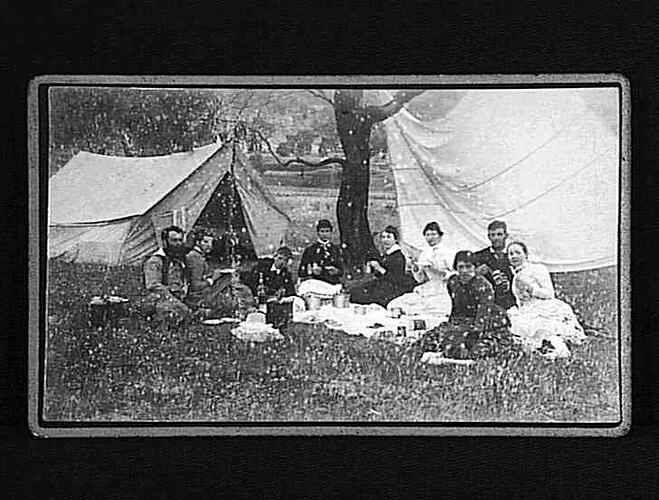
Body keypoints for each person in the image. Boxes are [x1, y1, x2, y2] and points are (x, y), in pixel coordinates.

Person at [420, 250, 512, 360]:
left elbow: (483, 316)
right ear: (456, 268)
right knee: (429, 339)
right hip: (461, 321)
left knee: (472, 347)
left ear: (475, 268)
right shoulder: (453, 282)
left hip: (486, 321)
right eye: (461, 267)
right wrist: (451, 327)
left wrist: (470, 335)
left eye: (468, 267)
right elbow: (455, 308)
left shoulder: (483, 285)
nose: (464, 271)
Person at [506, 241, 586, 357]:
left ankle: (559, 349)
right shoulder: (516, 276)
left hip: (543, 307)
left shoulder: (537, 269)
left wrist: (532, 290)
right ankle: (544, 348)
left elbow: (549, 293)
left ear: (526, 255)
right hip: (527, 310)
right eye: (510, 254)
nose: (514, 256)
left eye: (518, 252)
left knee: (541, 327)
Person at [387, 221, 453, 317]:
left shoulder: (448, 253)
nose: (430, 237)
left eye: (434, 234)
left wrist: (437, 272)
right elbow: (420, 279)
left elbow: (454, 274)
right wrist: (416, 269)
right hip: (427, 288)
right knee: (395, 303)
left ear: (440, 236)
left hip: (443, 288)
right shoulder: (424, 254)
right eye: (427, 235)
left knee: (437, 307)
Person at [349, 226, 416, 307]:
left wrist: (379, 268)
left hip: (393, 288)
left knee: (360, 295)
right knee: (354, 291)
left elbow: (396, 278)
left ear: (395, 239)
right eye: (383, 237)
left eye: (389, 237)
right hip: (383, 284)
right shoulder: (388, 254)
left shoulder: (398, 256)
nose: (386, 240)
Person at [184, 229, 240, 317]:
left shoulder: (198, 256)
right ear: (197, 242)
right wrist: (212, 279)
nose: (209, 246)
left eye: (211, 242)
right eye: (205, 242)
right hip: (198, 297)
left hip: (203, 293)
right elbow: (196, 285)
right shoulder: (195, 257)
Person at [142, 225, 192, 323]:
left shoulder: (178, 259)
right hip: (161, 298)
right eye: (174, 240)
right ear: (165, 242)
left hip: (177, 297)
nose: (178, 244)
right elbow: (153, 286)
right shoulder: (155, 261)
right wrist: (176, 302)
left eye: (180, 240)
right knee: (178, 314)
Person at [473, 220, 516, 310]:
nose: (496, 238)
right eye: (492, 235)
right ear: (488, 237)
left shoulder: (515, 255)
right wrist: (476, 273)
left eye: (499, 234)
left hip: (513, 304)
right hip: (488, 304)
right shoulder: (478, 256)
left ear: (506, 236)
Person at [297, 219, 345, 297]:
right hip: (315, 285)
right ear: (318, 233)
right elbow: (301, 271)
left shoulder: (336, 250)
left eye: (327, 231)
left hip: (332, 285)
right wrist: (312, 271)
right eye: (322, 231)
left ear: (331, 233)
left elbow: (342, 270)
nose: (324, 234)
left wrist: (336, 271)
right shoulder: (310, 250)